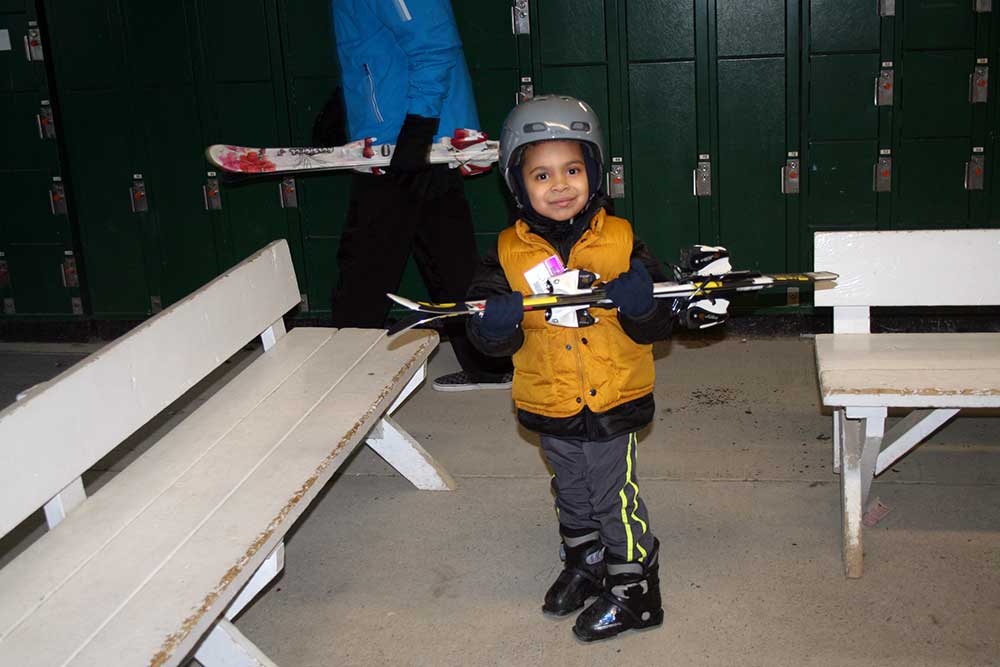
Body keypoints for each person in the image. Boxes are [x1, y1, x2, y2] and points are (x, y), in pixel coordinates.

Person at [465, 95, 675, 641]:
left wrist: (644, 306)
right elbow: (486, 340)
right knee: (572, 490)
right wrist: (495, 325)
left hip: (613, 399)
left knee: (612, 496)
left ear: (595, 173)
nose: (560, 185)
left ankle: (635, 588)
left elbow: (662, 325)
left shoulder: (624, 242)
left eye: (573, 170)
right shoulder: (504, 255)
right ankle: (587, 561)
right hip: (549, 400)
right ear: (517, 183)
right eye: (542, 174)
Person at [330, 0, 512, 391]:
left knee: (365, 264)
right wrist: (347, 106)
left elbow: (433, 46)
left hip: (406, 140)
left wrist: (418, 128)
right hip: (407, 135)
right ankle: (487, 365)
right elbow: (373, 47)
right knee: (447, 258)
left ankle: (343, 379)